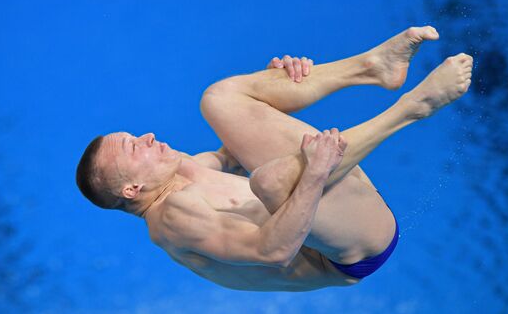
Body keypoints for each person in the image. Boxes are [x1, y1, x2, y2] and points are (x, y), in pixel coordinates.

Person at [76, 26, 473, 291]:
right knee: (268, 181)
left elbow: (230, 153)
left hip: (331, 209)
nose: (146, 136)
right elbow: (273, 252)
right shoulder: (173, 219)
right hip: (353, 250)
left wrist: (269, 87)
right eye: (134, 147)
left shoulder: (181, 170)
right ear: (132, 189)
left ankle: (371, 67)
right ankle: (414, 108)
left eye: (135, 136)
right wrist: (315, 175)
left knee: (219, 100)